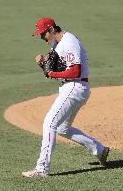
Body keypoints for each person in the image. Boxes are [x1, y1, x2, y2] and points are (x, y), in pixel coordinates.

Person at [22, 18, 109, 178]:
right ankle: (100, 150)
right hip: (70, 87)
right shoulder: (57, 44)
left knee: (49, 122)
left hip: (75, 86)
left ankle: (41, 169)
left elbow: (75, 71)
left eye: (43, 35)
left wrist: (51, 73)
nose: (43, 38)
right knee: (62, 128)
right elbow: (53, 68)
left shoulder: (69, 41)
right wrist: (43, 64)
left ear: (52, 30)